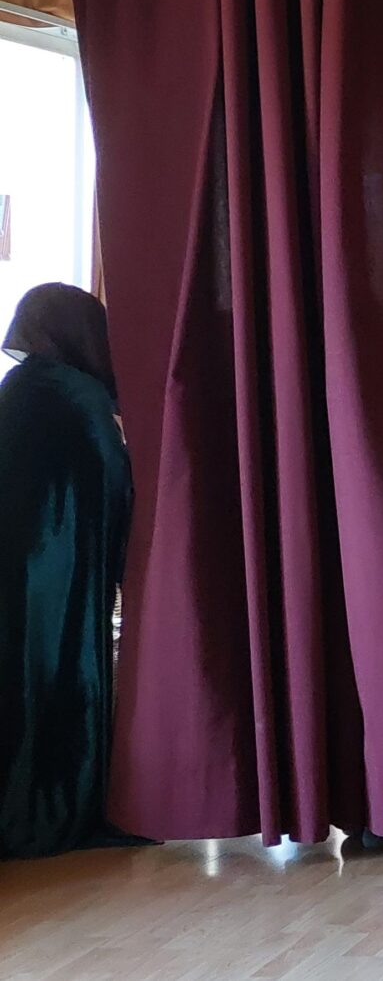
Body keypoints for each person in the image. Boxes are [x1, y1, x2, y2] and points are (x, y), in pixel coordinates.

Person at [0, 284, 136, 859]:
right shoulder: (81, 398)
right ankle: (57, 807)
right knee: (62, 675)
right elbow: (117, 485)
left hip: (15, 567)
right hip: (61, 573)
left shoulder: (17, 390)